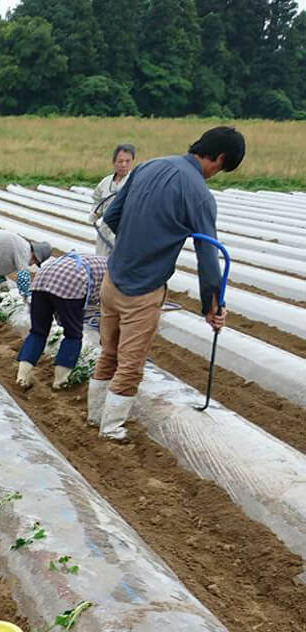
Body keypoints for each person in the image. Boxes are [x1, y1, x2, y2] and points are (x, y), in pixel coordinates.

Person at [88, 126, 244, 440]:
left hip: (112, 278)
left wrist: (135, 242)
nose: (216, 175)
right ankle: (111, 428)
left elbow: (112, 217)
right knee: (130, 364)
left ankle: (95, 417)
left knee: (108, 352)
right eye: (222, 169)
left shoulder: (148, 166)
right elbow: (208, 256)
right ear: (220, 159)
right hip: (143, 291)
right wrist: (213, 308)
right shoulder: (199, 194)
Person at [15, 252, 108, 390]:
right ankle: (60, 381)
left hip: (42, 280)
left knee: (38, 332)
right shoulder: (114, 274)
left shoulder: (98, 261)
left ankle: (21, 378)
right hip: (71, 283)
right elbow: (105, 306)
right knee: (73, 335)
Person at [0, 229, 52, 324]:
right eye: (35, 262)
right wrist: (27, 296)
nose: (32, 265)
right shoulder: (25, 251)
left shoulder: (22, 246)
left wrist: (2, 281)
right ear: (35, 256)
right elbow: (23, 277)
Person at [90, 144, 136, 256]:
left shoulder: (135, 183)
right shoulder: (106, 182)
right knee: (101, 261)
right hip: (105, 229)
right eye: (120, 161)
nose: (124, 165)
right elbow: (97, 199)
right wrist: (94, 213)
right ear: (114, 162)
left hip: (124, 231)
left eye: (128, 161)